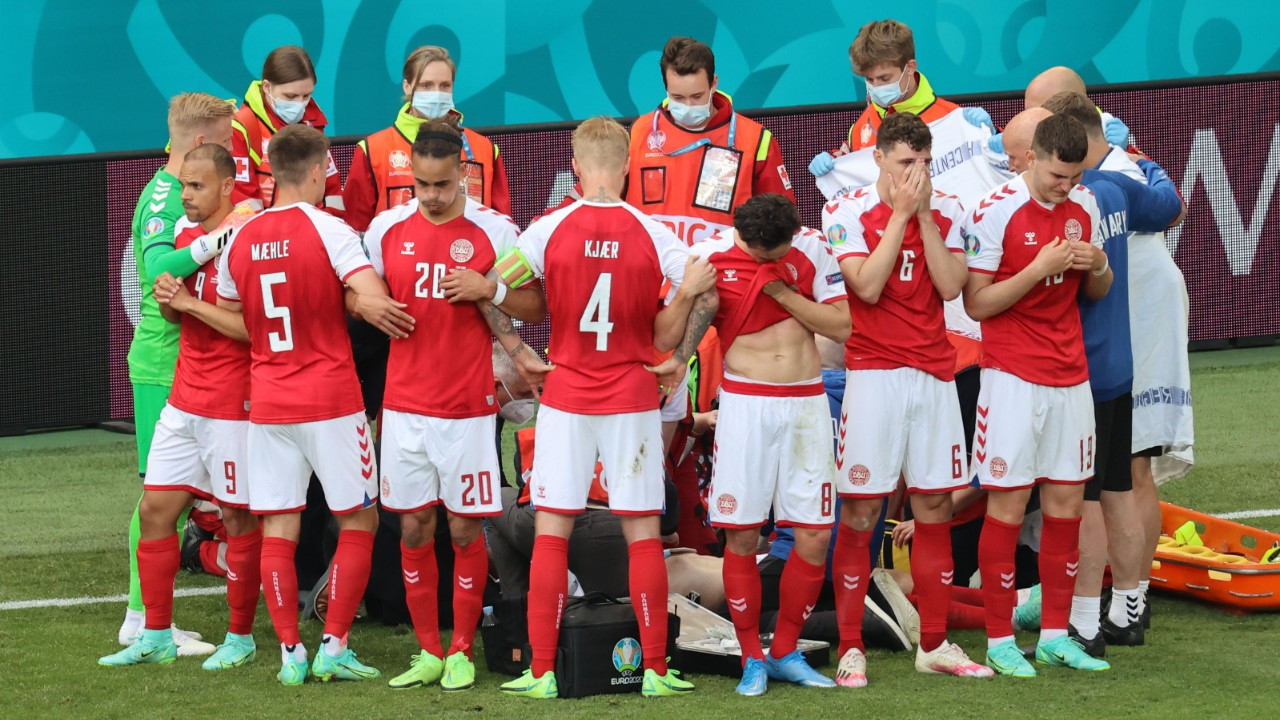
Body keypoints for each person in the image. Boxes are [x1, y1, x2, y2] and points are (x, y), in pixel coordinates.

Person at [491, 115, 718, 699]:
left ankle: (542, 671)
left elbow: (491, 286)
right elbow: (708, 293)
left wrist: (519, 351)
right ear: (627, 167)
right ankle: (655, 670)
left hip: (566, 395)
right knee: (641, 532)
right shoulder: (653, 232)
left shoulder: (547, 229)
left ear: (574, 165)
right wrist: (681, 359)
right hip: (631, 397)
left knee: (551, 530)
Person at [357, 119, 541, 691]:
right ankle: (427, 652)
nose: (431, 196)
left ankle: (461, 650)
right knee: (413, 528)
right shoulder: (385, 229)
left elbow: (536, 303)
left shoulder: (497, 231)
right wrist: (367, 306)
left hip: (467, 410)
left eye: (441, 184)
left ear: (463, 172)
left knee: (464, 530)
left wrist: (491, 289)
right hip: (404, 408)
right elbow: (355, 290)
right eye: (421, 184)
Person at [216, 124, 401, 686]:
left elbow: (236, 317)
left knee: (279, 524)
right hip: (331, 400)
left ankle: (289, 652)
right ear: (319, 171)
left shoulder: (240, 238)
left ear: (272, 172)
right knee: (359, 519)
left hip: (269, 401)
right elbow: (374, 298)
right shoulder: (331, 229)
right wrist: (347, 296)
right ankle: (334, 645)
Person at [822, 112, 993, 686]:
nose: (917, 174)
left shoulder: (949, 208)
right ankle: (851, 647)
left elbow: (951, 287)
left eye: (924, 162)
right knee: (861, 511)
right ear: (879, 159)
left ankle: (935, 644)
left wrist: (922, 215)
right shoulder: (845, 210)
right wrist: (899, 215)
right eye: (904, 163)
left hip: (934, 375)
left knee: (935, 507)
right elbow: (866, 287)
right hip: (873, 377)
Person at [961, 113, 1113, 676]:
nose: (1065, 187)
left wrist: (1098, 264)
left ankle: (1053, 635)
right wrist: (1037, 269)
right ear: (1031, 158)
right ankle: (1000, 639)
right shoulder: (993, 210)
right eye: (1056, 176)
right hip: (1011, 378)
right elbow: (976, 303)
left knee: (1067, 507)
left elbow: (1098, 290)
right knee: (1005, 505)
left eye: (1074, 178)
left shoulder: (1086, 205)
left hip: (1071, 377)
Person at [100, 144, 257, 669]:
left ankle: (240, 637)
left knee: (237, 518)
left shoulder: (248, 238)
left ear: (227, 187)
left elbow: (252, 330)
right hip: (185, 398)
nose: (185, 195)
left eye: (196, 186)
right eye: (184, 184)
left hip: (231, 402)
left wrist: (188, 302)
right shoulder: (187, 239)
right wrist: (171, 302)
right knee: (155, 510)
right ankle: (154, 635)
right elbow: (174, 317)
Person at [1038, 92, 1184, 655]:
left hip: (1081, 368)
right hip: (1120, 364)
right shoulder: (1119, 186)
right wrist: (1146, 161)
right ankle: (1127, 609)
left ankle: (1084, 624)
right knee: (1121, 487)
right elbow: (1169, 208)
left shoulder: (1071, 200)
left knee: (1085, 499)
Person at [688, 194, 850, 696]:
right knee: (741, 535)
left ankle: (784, 650)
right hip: (745, 406)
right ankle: (751, 658)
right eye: (758, 254)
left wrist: (781, 292)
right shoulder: (709, 256)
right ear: (742, 236)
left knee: (815, 535)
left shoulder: (812, 248)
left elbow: (842, 325)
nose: (766, 260)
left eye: (775, 253)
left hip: (807, 403)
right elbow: (676, 328)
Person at [119, 92, 236, 655]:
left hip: (180, 360)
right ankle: (140, 619)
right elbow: (159, 265)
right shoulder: (165, 196)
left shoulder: (172, 192)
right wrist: (219, 239)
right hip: (164, 361)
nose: (233, 150)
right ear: (200, 143)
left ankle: (147, 617)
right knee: (160, 498)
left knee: (174, 496)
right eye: (226, 141)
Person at [809, 18, 1002, 203]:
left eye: (884, 79)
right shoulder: (862, 126)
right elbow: (851, 166)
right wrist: (832, 163)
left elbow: (1005, 167)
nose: (876, 86)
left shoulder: (953, 117)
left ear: (910, 68)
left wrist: (992, 135)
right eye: (869, 79)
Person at [626, 36, 794, 247]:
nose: (688, 106)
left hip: (724, 265)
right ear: (666, 88)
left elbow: (781, 224)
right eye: (678, 97)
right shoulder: (639, 131)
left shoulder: (755, 139)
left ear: (714, 83)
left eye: (697, 96)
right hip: (654, 265)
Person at [343, 45, 510, 233]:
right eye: (426, 85)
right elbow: (355, 230)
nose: (437, 94)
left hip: (467, 251)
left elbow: (502, 229)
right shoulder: (373, 150)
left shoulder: (485, 149)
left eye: (445, 86)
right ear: (407, 86)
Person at [231, 45, 343, 212]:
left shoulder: (313, 121)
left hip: (312, 224)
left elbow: (332, 189)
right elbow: (244, 201)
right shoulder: (243, 127)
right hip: (262, 227)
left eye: (306, 95)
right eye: (290, 96)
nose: (300, 104)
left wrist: (330, 222)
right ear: (267, 87)